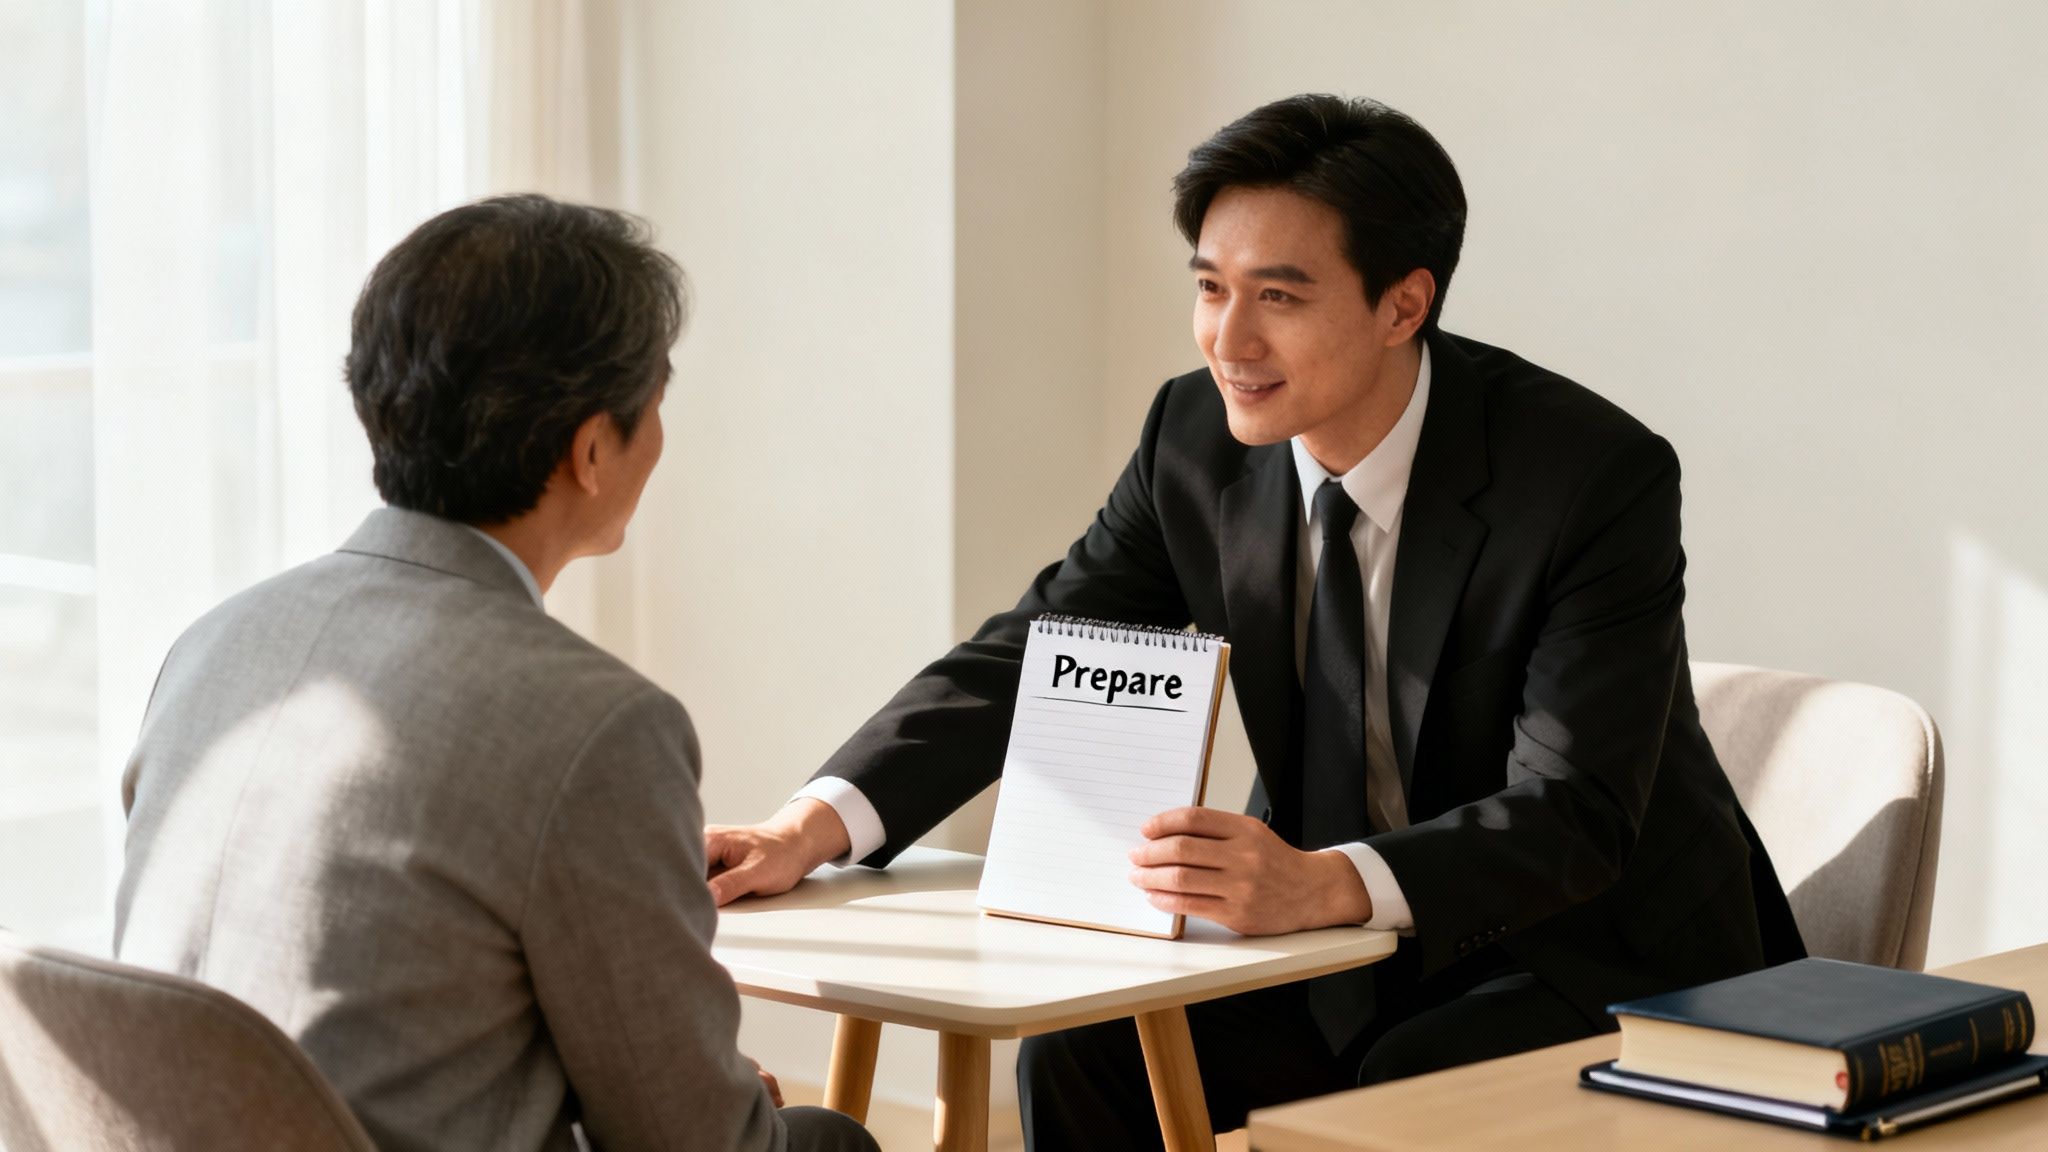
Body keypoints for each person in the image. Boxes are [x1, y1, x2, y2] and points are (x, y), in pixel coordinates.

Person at [703, 96, 1806, 1149]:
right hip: (1332, 945)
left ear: (1401, 306)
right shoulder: (1195, 436)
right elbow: (1032, 649)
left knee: (1403, 1089)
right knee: (1082, 1050)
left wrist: (1322, 881)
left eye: (1277, 296)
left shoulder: (1584, 476)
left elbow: (1573, 813)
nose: (1228, 339)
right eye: (1209, 288)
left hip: (1584, 950)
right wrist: (812, 824)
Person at [114, 194, 877, 1152]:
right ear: (593, 449)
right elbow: (692, 1139)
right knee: (822, 1140)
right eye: (655, 407)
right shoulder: (597, 723)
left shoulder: (218, 642)